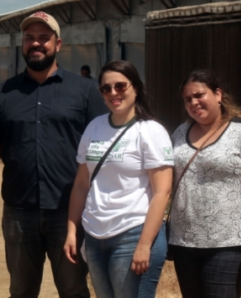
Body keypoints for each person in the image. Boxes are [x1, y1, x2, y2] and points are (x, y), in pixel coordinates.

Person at [0, 11, 108, 298]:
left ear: (58, 44)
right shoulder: (4, 94)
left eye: (43, 38)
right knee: (21, 291)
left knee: (74, 289)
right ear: (22, 45)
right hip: (19, 213)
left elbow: (102, 153)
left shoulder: (84, 91)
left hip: (70, 213)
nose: (36, 44)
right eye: (29, 38)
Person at [63, 60, 172, 298]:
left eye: (120, 86)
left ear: (136, 88)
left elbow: (162, 192)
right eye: (106, 88)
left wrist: (144, 245)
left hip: (133, 234)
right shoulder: (94, 127)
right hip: (95, 235)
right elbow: (81, 184)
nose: (113, 93)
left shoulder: (151, 131)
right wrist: (72, 230)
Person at [169, 70, 241, 297]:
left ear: (218, 94)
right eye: (188, 99)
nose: (194, 103)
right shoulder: (179, 133)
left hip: (229, 244)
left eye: (199, 95)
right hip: (184, 243)